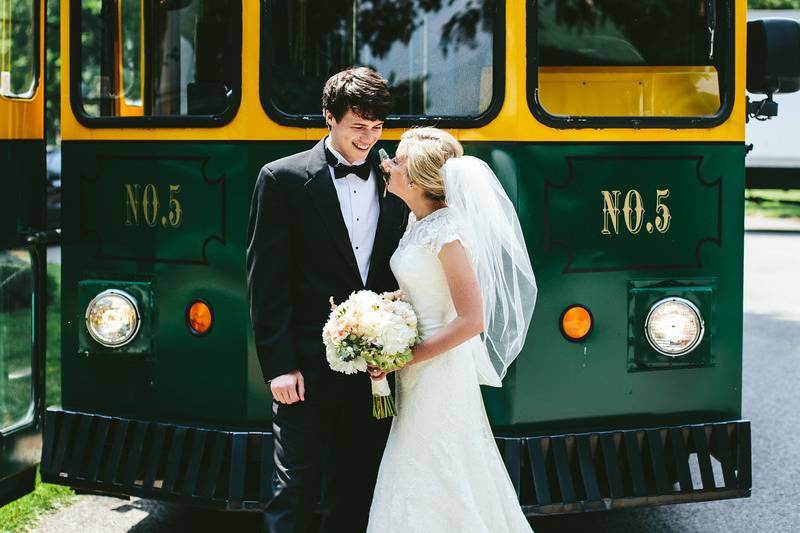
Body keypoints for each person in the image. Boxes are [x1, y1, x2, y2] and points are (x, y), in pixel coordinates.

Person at [246, 67, 409, 533]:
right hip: (304, 370)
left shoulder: (393, 177)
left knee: (357, 488)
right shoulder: (281, 179)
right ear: (329, 118)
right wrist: (278, 365)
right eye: (358, 126)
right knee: (292, 487)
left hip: (374, 372)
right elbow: (267, 281)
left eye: (377, 127)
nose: (368, 137)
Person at [367, 128, 537, 532]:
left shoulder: (448, 231)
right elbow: (424, 290)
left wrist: (404, 356)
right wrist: (378, 313)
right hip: (416, 368)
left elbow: (471, 319)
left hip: (440, 370)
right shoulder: (418, 221)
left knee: (437, 463)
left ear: (416, 178)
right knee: (418, 463)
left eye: (398, 160)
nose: (387, 165)